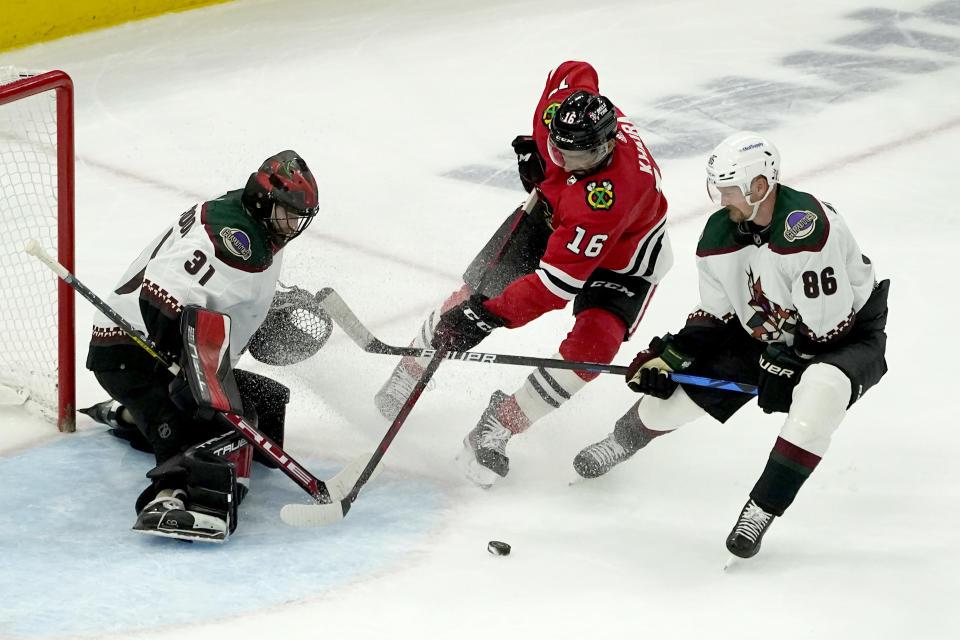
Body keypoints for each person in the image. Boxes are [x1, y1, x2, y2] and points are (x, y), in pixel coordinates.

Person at [573, 131, 890, 559]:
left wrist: (787, 369)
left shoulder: (806, 229)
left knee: (819, 394)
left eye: (729, 190)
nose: (722, 201)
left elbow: (828, 330)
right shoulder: (721, 235)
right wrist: (672, 355)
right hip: (774, 335)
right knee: (679, 396)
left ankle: (760, 509)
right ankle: (620, 441)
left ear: (759, 186)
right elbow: (718, 313)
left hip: (844, 336)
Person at [375, 61, 672, 487]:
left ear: (607, 146)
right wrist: (539, 150)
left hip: (624, 260)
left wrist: (488, 315)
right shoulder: (563, 113)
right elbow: (576, 69)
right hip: (555, 218)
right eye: (559, 149)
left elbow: (554, 286)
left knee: (591, 352)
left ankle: (500, 423)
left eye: (580, 156)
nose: (566, 161)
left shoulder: (611, 196)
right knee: (474, 291)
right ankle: (409, 370)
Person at [83, 150, 321, 542]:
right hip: (130, 350)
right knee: (190, 438)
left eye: (300, 216)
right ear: (264, 198)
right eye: (289, 212)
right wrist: (184, 368)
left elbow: (221, 296)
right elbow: (160, 296)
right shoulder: (228, 240)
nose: (294, 224)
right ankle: (168, 498)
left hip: (172, 344)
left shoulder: (258, 228)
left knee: (262, 408)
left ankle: (132, 417)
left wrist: (266, 315)